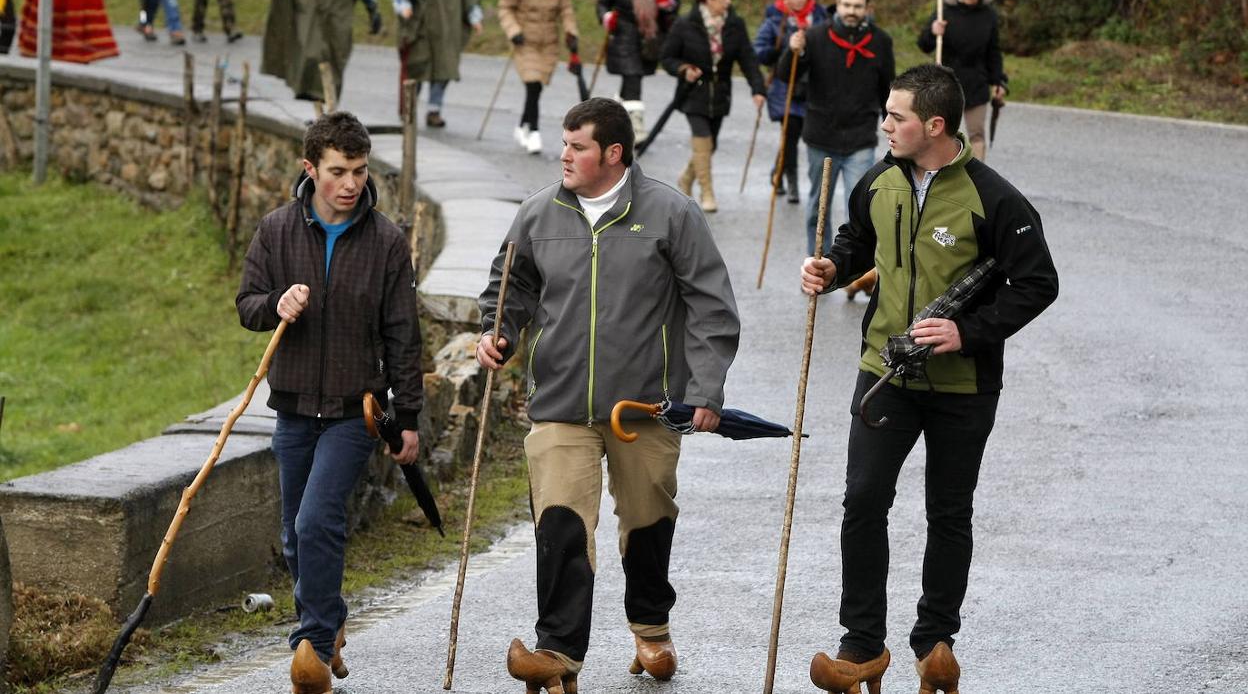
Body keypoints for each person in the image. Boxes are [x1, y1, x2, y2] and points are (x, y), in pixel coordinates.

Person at [798, 64, 1058, 694]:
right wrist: (830, 267)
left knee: (948, 511)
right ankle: (861, 646)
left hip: (964, 385)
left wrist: (968, 333)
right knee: (863, 500)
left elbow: (1037, 283)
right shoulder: (877, 181)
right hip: (884, 374)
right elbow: (857, 239)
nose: (884, 125)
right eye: (886, 115)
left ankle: (935, 641)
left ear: (935, 126)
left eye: (897, 117)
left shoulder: (995, 198)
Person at [477, 98, 739, 693]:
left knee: (648, 522)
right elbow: (509, 284)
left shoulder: (671, 214)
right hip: (561, 401)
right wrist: (497, 331)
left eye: (577, 146)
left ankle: (650, 623)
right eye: (563, 145)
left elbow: (711, 306)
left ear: (613, 153)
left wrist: (704, 388)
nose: (563, 156)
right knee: (562, 523)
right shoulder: (537, 213)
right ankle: (558, 651)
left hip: (644, 408)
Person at [236, 111, 424, 694]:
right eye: (338, 171)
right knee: (294, 532)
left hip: (354, 411)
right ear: (309, 168)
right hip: (292, 407)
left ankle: (314, 645)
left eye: (359, 171)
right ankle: (329, 618)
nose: (350, 184)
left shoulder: (387, 241)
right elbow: (246, 304)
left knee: (318, 519)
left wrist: (408, 418)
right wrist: (276, 305)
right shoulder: (276, 230)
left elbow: (403, 334)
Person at [777, 0, 894, 257]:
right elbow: (786, 75)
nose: (851, 11)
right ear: (837, 5)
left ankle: (850, 271)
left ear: (868, 8)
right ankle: (817, 264)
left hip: (860, 138)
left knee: (858, 212)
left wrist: (893, 127)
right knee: (817, 209)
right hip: (821, 137)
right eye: (847, 5)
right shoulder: (815, 36)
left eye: (857, 6)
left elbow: (888, 91)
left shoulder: (881, 41)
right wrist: (793, 51)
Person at [660, 0, 765, 213]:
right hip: (693, 93)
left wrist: (757, 89)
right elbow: (667, 57)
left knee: (710, 145)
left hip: (720, 94)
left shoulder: (734, 25)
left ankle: (686, 178)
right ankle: (707, 193)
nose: (728, 2)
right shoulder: (686, 23)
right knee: (703, 140)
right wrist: (684, 68)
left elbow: (747, 58)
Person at [390, 0, 483, 128]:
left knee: (443, 69)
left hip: (448, 27)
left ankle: (434, 110)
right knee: (416, 68)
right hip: (420, 26)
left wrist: (475, 17)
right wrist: (403, 6)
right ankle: (408, 110)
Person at [595, 0, 679, 141]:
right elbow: (603, 3)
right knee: (633, 76)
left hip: (650, 36)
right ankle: (636, 128)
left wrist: (667, 4)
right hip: (624, 31)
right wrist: (607, 17)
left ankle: (615, 115)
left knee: (633, 77)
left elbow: (675, 3)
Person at [752, 0, 828, 204]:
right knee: (791, 134)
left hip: (813, 88)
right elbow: (759, 51)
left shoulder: (820, 18)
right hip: (785, 89)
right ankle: (792, 181)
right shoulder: (775, 20)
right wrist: (779, 50)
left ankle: (778, 169)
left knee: (806, 133)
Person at [497, 0, 578, 155]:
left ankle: (522, 125)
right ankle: (534, 131)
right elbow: (505, 7)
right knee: (532, 84)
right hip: (526, 41)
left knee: (537, 87)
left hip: (549, 43)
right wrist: (514, 31)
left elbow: (566, 10)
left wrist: (571, 32)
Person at [918, 0, 1006, 161]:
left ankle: (976, 180)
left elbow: (993, 51)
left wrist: (998, 81)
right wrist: (933, 31)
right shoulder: (944, 10)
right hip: (946, 83)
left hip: (977, 83)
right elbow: (924, 44)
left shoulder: (989, 15)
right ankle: (942, 175)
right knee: (944, 134)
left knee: (976, 135)